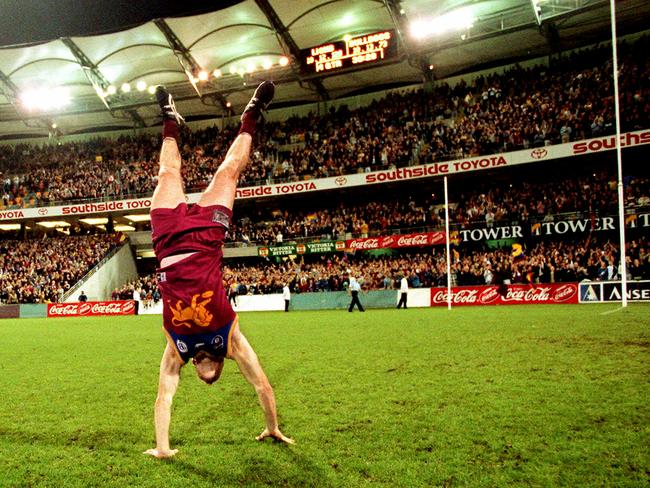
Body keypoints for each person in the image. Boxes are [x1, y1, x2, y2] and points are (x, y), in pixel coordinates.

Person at [144, 82, 293, 460]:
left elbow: (165, 395)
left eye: (200, 372)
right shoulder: (230, 339)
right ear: (221, 364)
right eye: (210, 371)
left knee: (166, 175)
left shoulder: (176, 349)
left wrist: (163, 448)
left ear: (195, 366)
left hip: (167, 242)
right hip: (208, 238)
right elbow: (261, 385)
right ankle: (252, 114)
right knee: (228, 173)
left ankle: (169, 120)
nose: (203, 368)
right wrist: (272, 426)